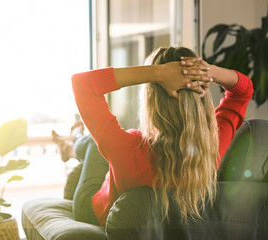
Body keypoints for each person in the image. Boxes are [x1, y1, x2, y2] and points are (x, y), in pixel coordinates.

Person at [52, 46, 253, 226]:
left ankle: (74, 141)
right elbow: (243, 91)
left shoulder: (127, 147)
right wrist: (211, 72)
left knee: (91, 144)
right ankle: (71, 146)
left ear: (151, 97)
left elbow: (82, 84)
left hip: (93, 210)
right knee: (101, 146)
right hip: (118, 170)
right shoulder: (211, 148)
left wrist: (157, 73)